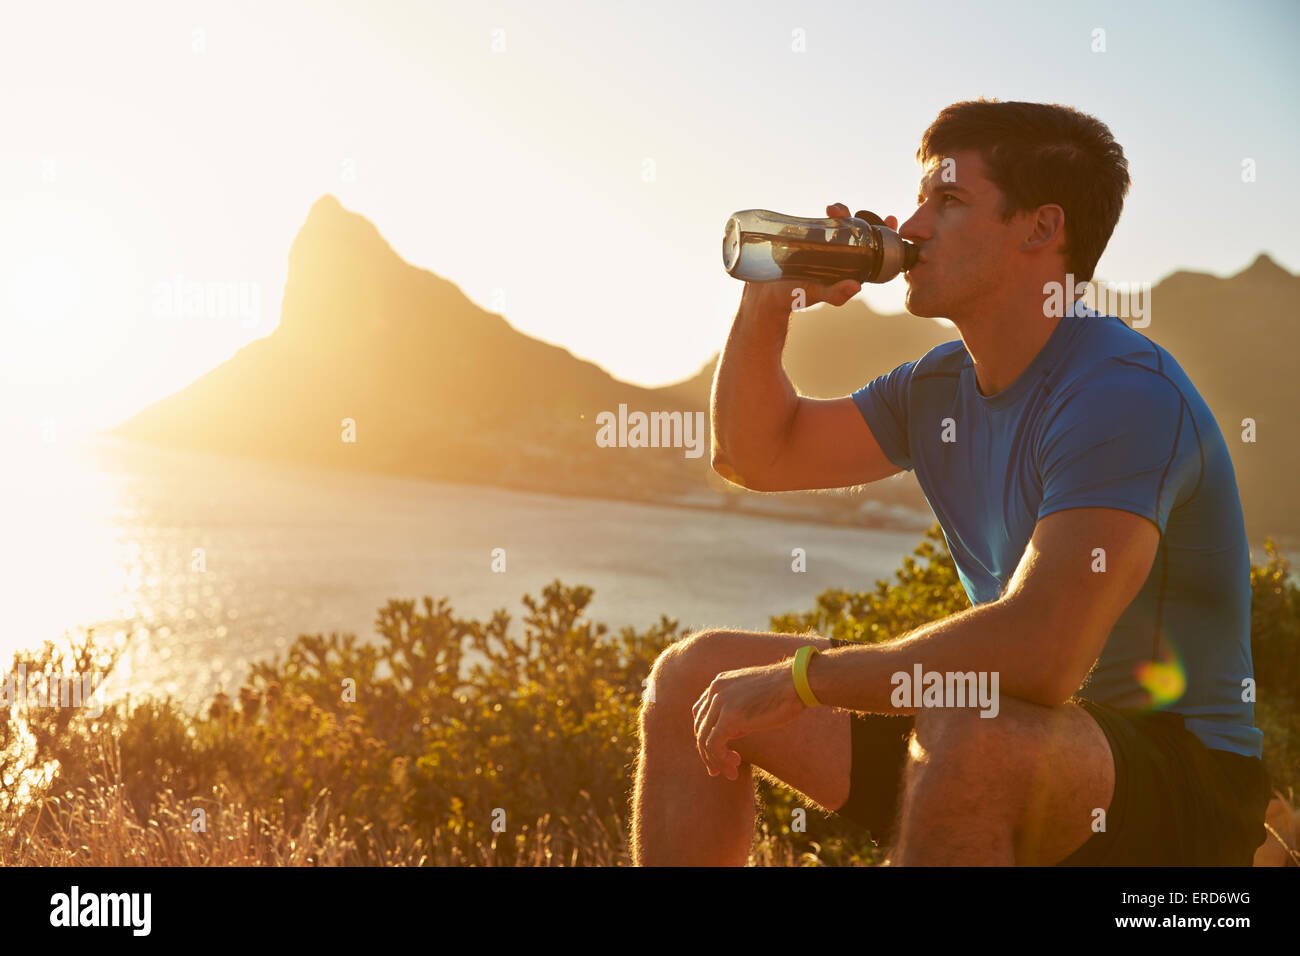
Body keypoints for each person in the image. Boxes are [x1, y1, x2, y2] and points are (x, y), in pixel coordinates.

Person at [630, 98, 1271, 866]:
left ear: (1041, 228)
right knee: (693, 679)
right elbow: (754, 455)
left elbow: (1041, 653)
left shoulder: (1123, 392)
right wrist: (769, 294)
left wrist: (807, 679)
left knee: (968, 728)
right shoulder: (934, 388)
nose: (912, 226)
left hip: (1182, 784)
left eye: (949, 201)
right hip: (1016, 732)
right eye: (921, 198)